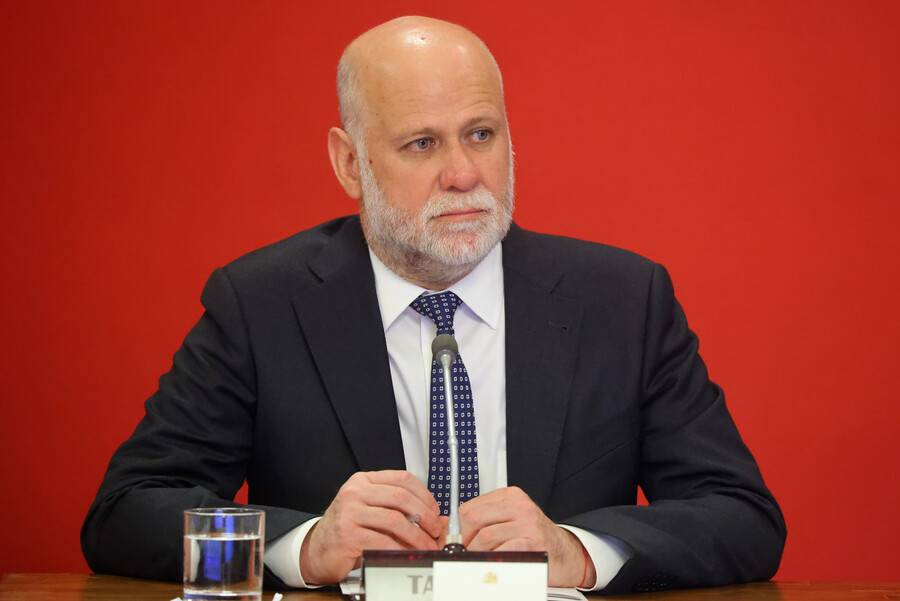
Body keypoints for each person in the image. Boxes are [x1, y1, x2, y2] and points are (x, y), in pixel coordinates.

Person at [82, 16, 786, 594]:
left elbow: (743, 518)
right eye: (422, 143)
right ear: (350, 164)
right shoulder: (262, 303)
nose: (463, 173)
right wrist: (304, 546)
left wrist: (577, 552)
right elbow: (125, 513)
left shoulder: (623, 300)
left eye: (481, 134)